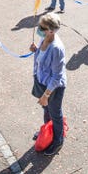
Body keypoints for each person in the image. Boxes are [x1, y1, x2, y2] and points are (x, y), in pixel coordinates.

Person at [29, 12, 67, 156]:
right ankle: (47, 130)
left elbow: (57, 76)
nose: (38, 28)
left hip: (54, 88)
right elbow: (42, 58)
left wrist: (46, 95)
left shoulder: (56, 48)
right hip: (43, 82)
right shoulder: (44, 38)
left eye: (42, 27)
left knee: (55, 113)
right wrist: (36, 51)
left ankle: (58, 140)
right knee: (46, 110)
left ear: (51, 30)